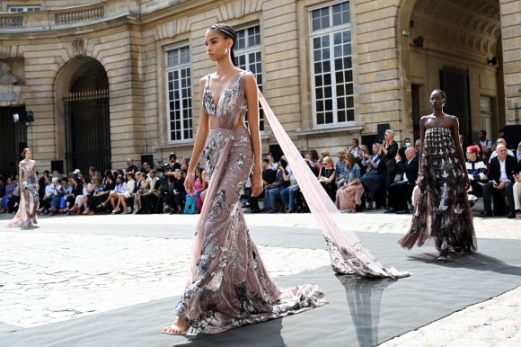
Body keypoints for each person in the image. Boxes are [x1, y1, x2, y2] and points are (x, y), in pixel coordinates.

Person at [162, 23, 326, 338]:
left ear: (229, 43)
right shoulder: (204, 82)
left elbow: (253, 125)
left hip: (238, 154)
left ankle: (188, 309)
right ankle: (245, 292)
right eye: (206, 43)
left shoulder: (245, 79)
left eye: (213, 42)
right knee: (230, 228)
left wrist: (255, 173)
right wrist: (192, 168)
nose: (208, 47)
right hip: (213, 155)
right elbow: (202, 129)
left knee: (213, 223)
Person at [398, 90, 476, 262]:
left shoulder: (451, 120)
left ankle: (444, 246)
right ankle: (444, 240)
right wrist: (420, 174)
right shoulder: (424, 120)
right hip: (431, 170)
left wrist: (464, 172)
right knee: (436, 207)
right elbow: (422, 149)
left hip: (450, 168)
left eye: (437, 98)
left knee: (445, 206)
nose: (434, 101)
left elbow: (457, 145)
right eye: (432, 98)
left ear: (444, 101)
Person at [481, 144, 519, 218]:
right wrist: (493, 181)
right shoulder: (493, 160)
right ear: (497, 152)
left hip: (509, 181)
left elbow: (514, 173)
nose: (504, 152)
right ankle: (487, 211)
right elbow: (491, 174)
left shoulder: (512, 159)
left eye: (505, 150)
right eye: (501, 151)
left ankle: (512, 211)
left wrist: (505, 182)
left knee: (508, 186)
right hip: (498, 181)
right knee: (486, 187)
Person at [8, 148, 39, 227]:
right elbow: (20, 175)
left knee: (35, 199)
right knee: (26, 202)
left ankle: (33, 215)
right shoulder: (22, 163)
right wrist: (21, 185)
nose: (29, 154)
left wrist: (37, 183)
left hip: (33, 183)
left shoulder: (33, 162)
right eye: (28, 153)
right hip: (25, 183)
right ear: (24, 154)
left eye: (30, 153)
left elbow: (35, 173)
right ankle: (26, 219)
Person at [386, 147, 418, 214]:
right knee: (392, 186)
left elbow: (407, 170)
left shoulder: (416, 160)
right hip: (405, 181)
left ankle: (404, 208)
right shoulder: (407, 161)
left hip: (412, 181)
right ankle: (392, 207)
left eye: (407, 152)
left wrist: (398, 161)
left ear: (412, 153)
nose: (405, 154)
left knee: (401, 187)